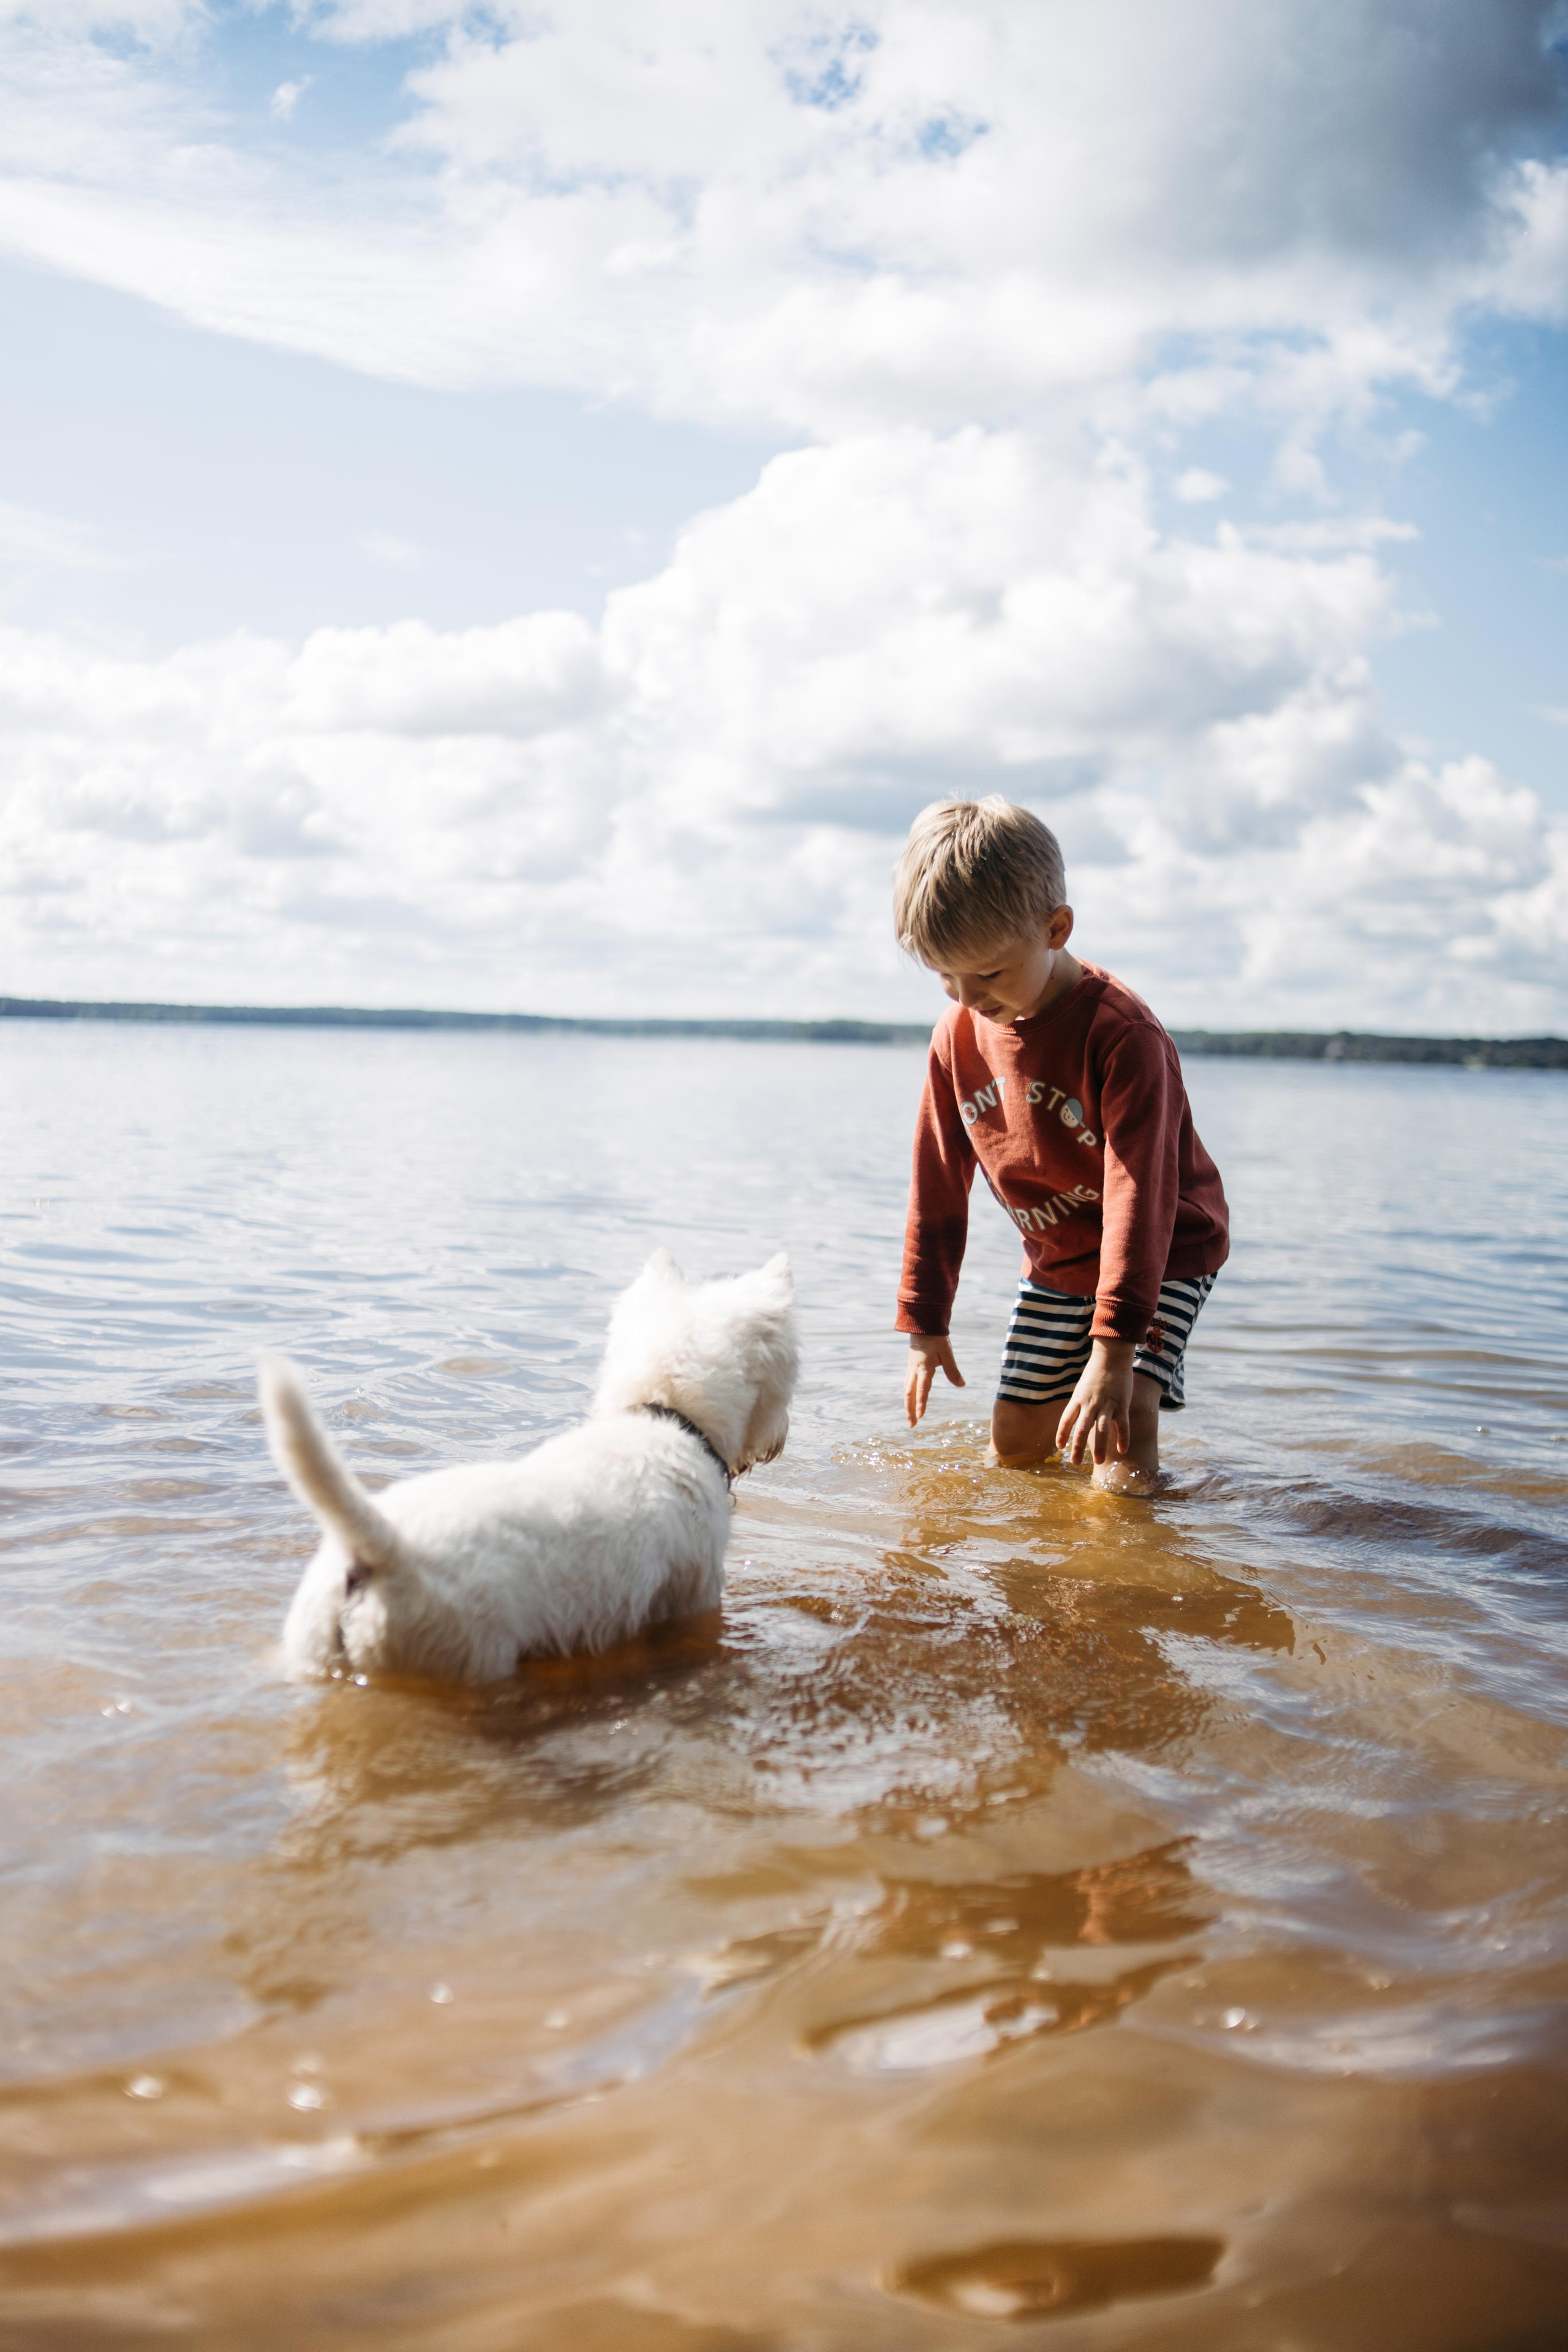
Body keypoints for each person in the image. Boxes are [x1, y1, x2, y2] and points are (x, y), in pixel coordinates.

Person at [894, 796, 1229, 1494]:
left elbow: (1140, 1193)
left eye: (988, 974)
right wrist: (926, 1321)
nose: (966, 995)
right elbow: (936, 1185)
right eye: (944, 976)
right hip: (1059, 1256)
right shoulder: (956, 1037)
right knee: (1016, 1443)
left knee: (1121, 1423)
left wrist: (1112, 1352)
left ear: (1055, 928)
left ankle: (1129, 1563)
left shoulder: (1121, 1034)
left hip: (1165, 1249)